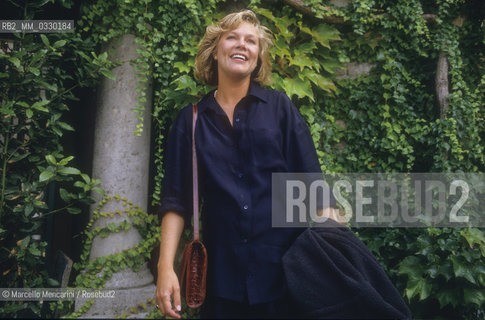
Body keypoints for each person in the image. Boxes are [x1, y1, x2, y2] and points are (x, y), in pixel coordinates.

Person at [155, 9, 338, 319]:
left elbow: (314, 189)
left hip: (285, 277)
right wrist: (165, 268)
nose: (242, 45)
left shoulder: (281, 109)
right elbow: (176, 201)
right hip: (220, 284)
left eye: (251, 41)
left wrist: (338, 256)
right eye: (232, 38)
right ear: (214, 50)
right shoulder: (191, 120)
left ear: (258, 57)